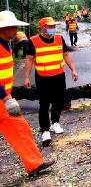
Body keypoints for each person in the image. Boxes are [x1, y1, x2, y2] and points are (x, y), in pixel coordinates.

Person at [0, 10, 55, 176]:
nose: (17, 29)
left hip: (3, 101)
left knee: (22, 129)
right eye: (14, 27)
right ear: (4, 28)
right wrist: (7, 97)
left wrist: (20, 41)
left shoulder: (6, 41)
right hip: (3, 98)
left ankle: (34, 164)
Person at [24, 17, 78, 145]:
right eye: (50, 26)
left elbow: (66, 55)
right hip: (42, 78)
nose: (53, 28)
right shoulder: (33, 41)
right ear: (42, 28)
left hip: (59, 76)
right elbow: (29, 60)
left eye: (54, 26)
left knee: (58, 101)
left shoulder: (59, 39)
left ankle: (55, 123)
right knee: (44, 104)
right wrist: (26, 77)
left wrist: (73, 70)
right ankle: (45, 130)